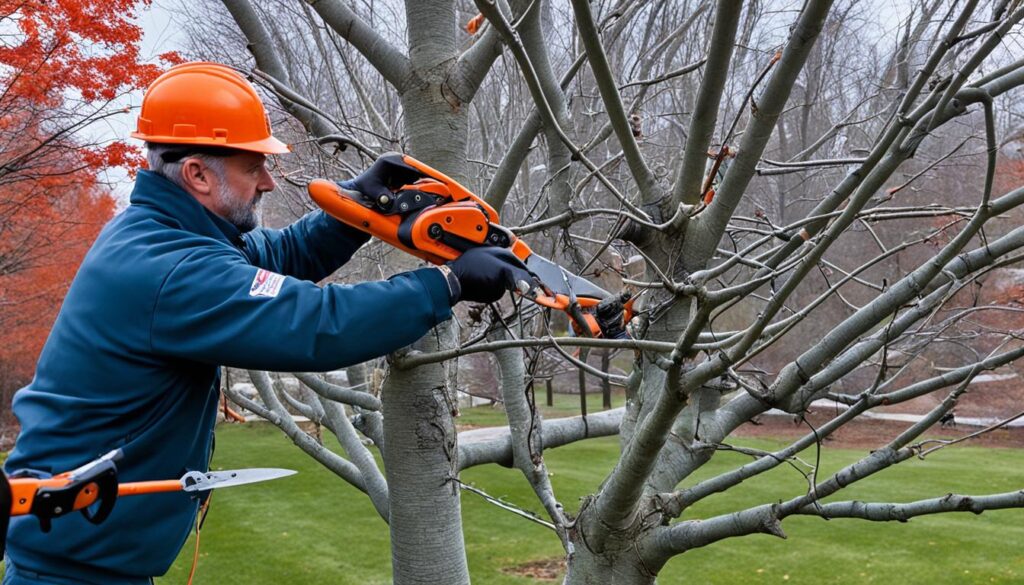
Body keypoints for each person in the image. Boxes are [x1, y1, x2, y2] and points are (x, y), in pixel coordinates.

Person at [1, 62, 535, 585]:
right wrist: (447, 284)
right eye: (252, 166)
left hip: (87, 555)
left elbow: (276, 255)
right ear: (197, 173)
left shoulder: (168, 234)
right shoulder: (169, 270)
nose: (269, 182)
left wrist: (360, 207)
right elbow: (314, 323)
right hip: (72, 568)